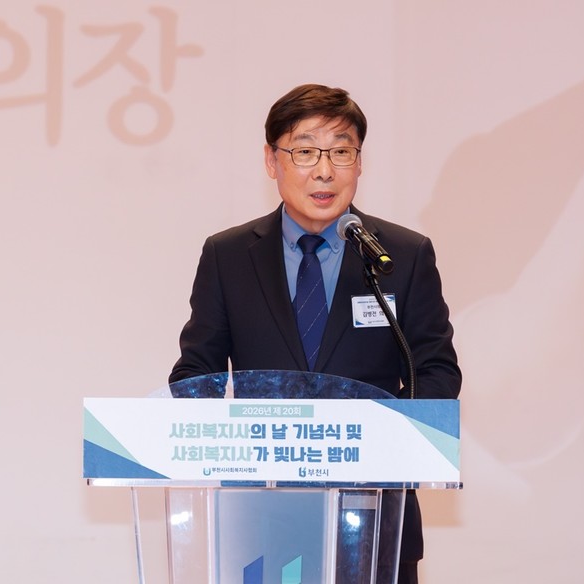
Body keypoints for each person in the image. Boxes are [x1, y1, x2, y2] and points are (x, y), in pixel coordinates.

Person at [169, 83, 462, 583]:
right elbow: (197, 372)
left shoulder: (400, 256)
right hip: (259, 521)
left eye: (341, 152)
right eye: (305, 152)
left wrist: (381, 441)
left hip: (374, 518)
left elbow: (436, 371)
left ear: (359, 162)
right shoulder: (228, 256)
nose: (325, 171)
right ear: (272, 160)